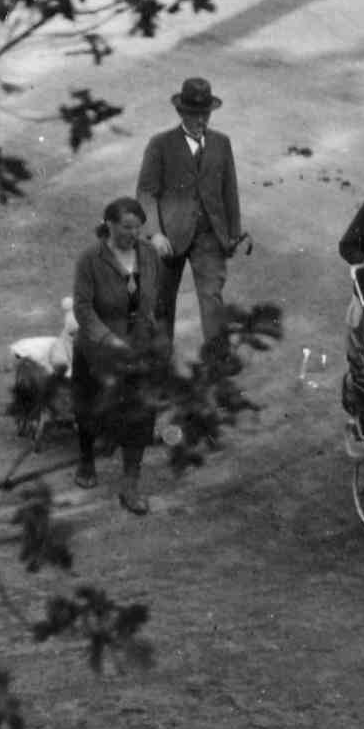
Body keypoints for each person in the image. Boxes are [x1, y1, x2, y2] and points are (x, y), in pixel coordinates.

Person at [133, 75, 250, 363]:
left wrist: (232, 234)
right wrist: (155, 234)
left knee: (212, 300)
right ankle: (160, 365)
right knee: (161, 301)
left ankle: (218, 366)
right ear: (182, 113)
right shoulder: (160, 145)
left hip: (209, 236)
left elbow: (229, 190)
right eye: (195, 114)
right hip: (168, 239)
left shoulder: (222, 144)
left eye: (205, 114)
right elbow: (146, 192)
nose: (201, 120)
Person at [68, 197, 164, 513]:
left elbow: (154, 297)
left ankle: (130, 484)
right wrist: (108, 339)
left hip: (138, 347)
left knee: (141, 412)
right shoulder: (90, 259)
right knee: (91, 407)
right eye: (126, 227)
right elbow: (82, 308)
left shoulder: (149, 255)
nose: (133, 233)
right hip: (99, 349)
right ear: (109, 224)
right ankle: (86, 461)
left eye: (138, 228)